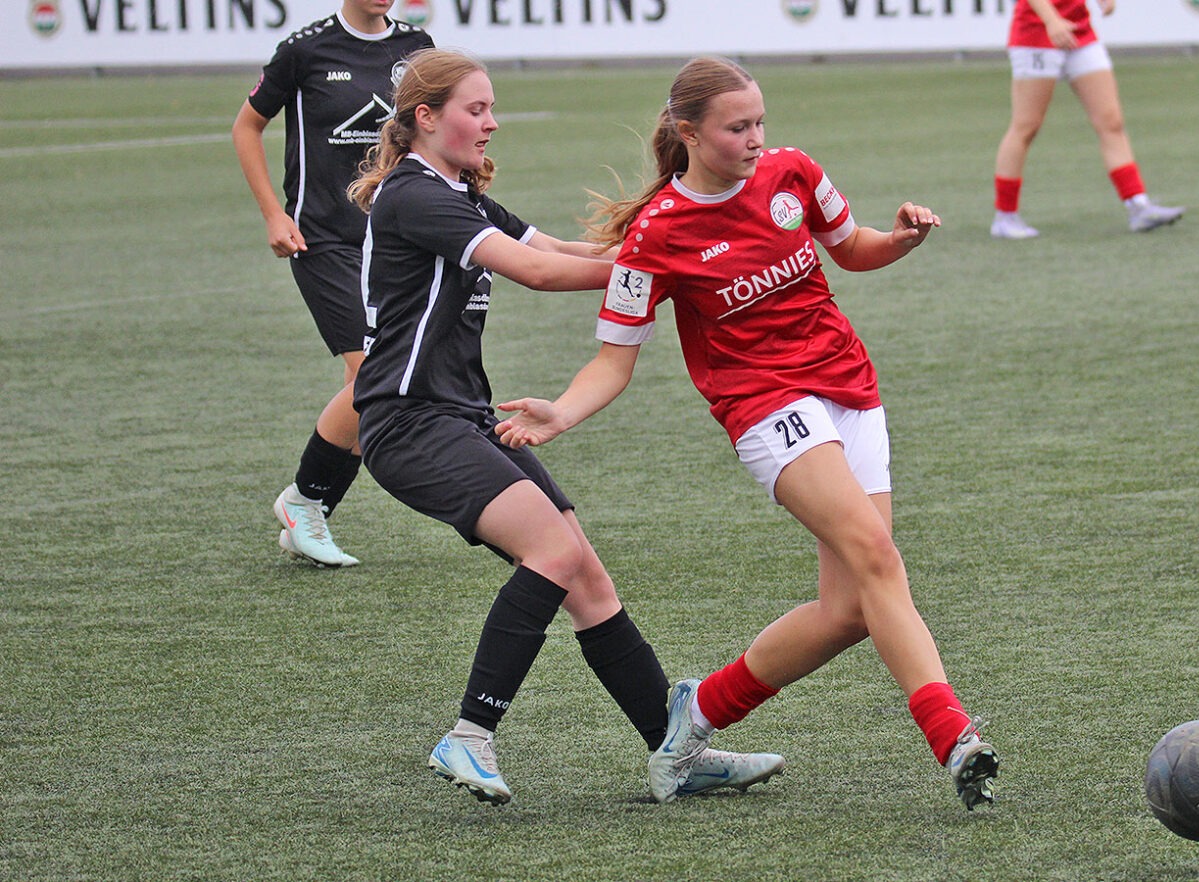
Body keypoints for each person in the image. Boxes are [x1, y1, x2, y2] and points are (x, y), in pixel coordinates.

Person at [494, 56, 1001, 810]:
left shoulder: (793, 173)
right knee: (875, 554)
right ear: (689, 133)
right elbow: (614, 358)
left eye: (760, 121)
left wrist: (897, 240)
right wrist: (564, 409)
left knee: (851, 610)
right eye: (739, 128)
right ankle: (953, 735)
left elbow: (851, 247)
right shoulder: (657, 234)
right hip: (764, 405)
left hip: (850, 389)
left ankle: (697, 713)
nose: (758, 138)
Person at [348, 48, 784, 805]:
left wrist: (681, 238)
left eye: (490, 108)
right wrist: (673, 266)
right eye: (475, 109)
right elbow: (540, 273)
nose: (491, 122)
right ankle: (470, 735)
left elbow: (569, 250)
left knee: (582, 570)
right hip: (407, 423)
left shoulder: (460, 195)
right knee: (549, 551)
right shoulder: (414, 197)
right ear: (426, 117)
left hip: (461, 418)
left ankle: (671, 749)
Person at [233, 0, 432, 568]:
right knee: (371, 375)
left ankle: (308, 507)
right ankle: (305, 504)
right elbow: (247, 127)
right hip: (324, 241)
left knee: (388, 381)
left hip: (394, 239)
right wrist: (275, 213)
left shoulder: (417, 47)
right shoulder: (306, 49)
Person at [990, 0, 1184, 238]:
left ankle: (1138, 206)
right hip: (1036, 32)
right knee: (1026, 126)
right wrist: (1051, 20)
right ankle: (1005, 217)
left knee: (1111, 121)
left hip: (1078, 29)